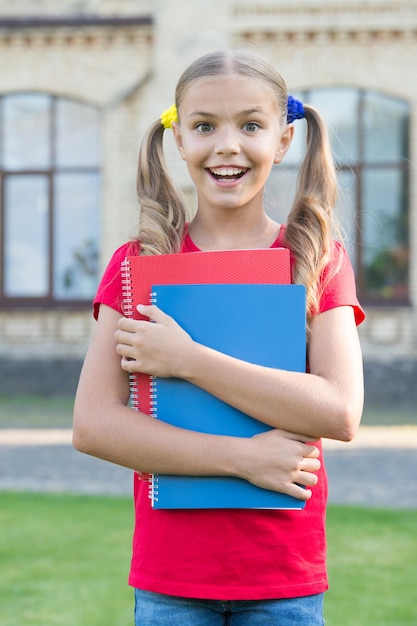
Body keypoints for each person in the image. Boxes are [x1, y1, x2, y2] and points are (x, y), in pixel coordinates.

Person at [73, 49, 365, 625]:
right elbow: (94, 425)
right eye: (205, 126)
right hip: (171, 579)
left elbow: (339, 411)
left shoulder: (314, 259)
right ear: (178, 138)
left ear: (282, 141)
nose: (227, 145)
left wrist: (188, 360)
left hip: (281, 577)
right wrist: (244, 459)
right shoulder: (138, 265)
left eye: (251, 126)